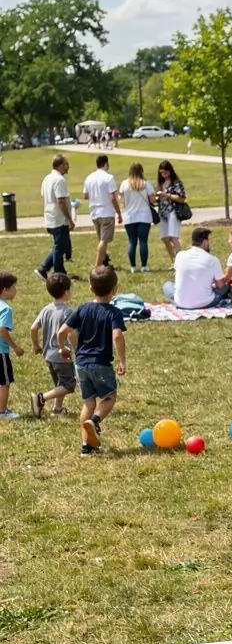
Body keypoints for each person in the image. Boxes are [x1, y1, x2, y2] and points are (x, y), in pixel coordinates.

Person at [57, 264, 126, 455]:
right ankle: (94, 422)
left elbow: (62, 331)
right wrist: (122, 361)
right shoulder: (113, 312)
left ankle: (86, 447)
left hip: (81, 363)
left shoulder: (83, 308)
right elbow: (118, 335)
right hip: (101, 363)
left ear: (90, 288)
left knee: (88, 402)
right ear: (115, 289)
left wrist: (62, 348)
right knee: (109, 396)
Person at [30, 272, 77, 418]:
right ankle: (40, 398)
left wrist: (36, 346)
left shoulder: (46, 309)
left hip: (48, 355)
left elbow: (33, 328)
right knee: (69, 385)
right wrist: (76, 349)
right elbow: (71, 333)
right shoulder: (68, 312)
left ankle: (57, 409)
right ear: (66, 292)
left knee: (60, 383)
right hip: (62, 355)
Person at [169, 227, 231, 309]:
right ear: (205, 242)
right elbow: (220, 286)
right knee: (226, 288)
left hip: (181, 302)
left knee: (167, 286)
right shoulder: (213, 260)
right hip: (205, 302)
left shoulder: (180, 255)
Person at [35, 155, 75, 281]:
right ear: (61, 165)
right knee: (60, 247)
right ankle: (56, 274)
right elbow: (61, 201)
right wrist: (69, 219)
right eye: (66, 164)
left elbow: (43, 195)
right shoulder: (59, 180)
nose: (68, 167)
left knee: (59, 246)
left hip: (50, 216)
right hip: (59, 218)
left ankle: (53, 270)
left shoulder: (47, 178)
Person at [83, 155, 122, 268]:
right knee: (104, 240)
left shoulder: (89, 178)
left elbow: (85, 195)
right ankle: (98, 265)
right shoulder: (108, 178)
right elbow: (113, 198)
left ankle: (104, 262)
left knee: (101, 239)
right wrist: (119, 213)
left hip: (94, 212)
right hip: (106, 212)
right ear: (105, 164)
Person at [119, 162, 156, 272]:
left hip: (129, 216)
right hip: (144, 216)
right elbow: (152, 200)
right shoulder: (145, 184)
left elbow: (121, 199)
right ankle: (144, 266)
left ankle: (133, 267)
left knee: (132, 242)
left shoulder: (124, 184)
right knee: (143, 241)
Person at [0, 271, 23, 419]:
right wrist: (15, 347)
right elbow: (2, 329)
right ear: (5, 290)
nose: (16, 289)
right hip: (1, 351)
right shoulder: (6, 309)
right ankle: (2, 411)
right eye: (13, 286)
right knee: (4, 382)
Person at [155, 160, 187, 264]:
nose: (163, 174)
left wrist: (167, 195)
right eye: (161, 172)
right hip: (162, 212)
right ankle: (173, 260)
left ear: (170, 171)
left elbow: (181, 198)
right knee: (165, 238)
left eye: (165, 172)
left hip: (173, 211)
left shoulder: (176, 182)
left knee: (173, 236)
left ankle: (180, 262)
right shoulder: (160, 183)